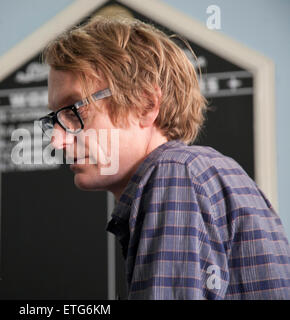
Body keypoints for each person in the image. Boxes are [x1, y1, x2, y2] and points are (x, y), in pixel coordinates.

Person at [38, 16, 290, 299]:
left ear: (146, 104)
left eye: (74, 111)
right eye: (55, 119)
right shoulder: (198, 172)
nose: (56, 140)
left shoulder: (173, 174)